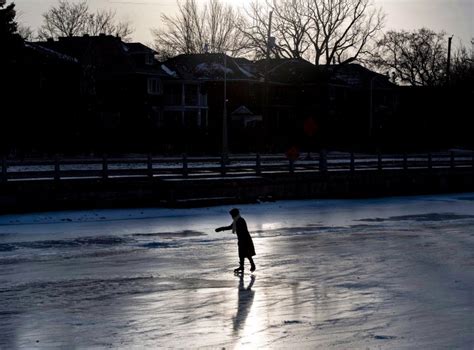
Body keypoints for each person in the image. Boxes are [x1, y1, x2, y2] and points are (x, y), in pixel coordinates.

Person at [215, 208, 256, 273]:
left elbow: (243, 231)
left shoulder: (240, 220)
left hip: (245, 239)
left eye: (232, 215)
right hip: (241, 239)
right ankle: (242, 266)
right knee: (241, 254)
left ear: (234, 214)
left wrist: (242, 240)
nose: (231, 216)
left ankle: (252, 265)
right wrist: (221, 229)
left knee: (246, 253)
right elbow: (230, 227)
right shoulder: (236, 220)